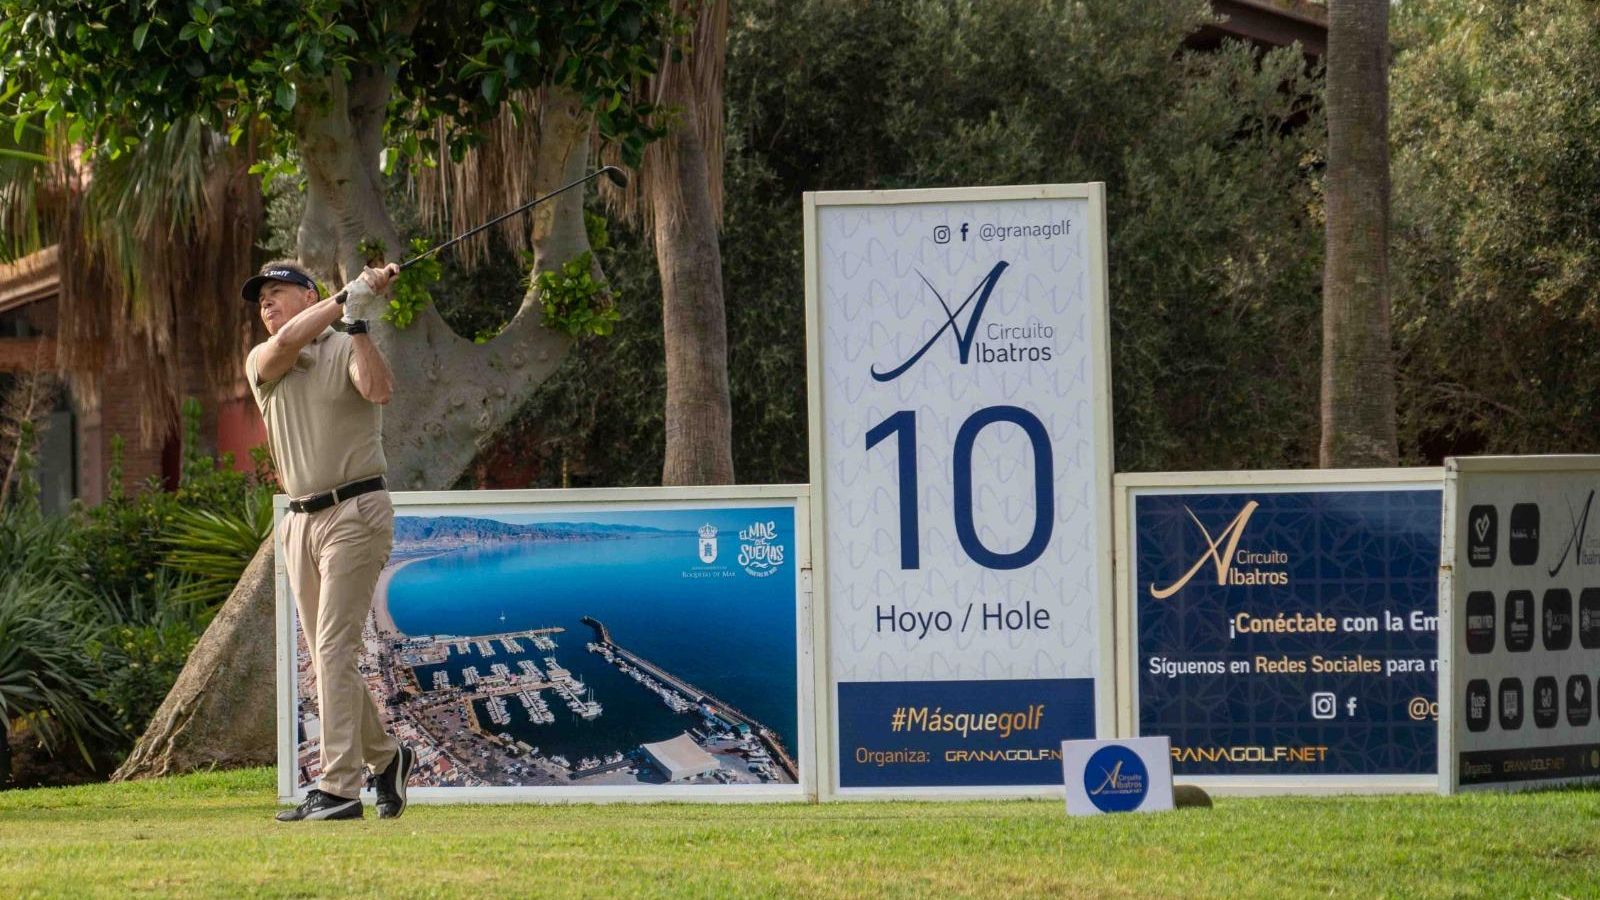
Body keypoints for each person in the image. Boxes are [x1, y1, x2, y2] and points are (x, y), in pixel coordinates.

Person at [241, 259, 416, 822]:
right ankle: (387, 758)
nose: (267, 305)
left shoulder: (344, 345)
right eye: (261, 299)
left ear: (309, 293)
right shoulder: (265, 359)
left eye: (277, 292)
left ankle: (339, 789)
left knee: (335, 651)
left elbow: (379, 390)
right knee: (324, 656)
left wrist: (358, 320)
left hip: (356, 511)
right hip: (299, 521)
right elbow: (289, 340)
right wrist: (351, 293)